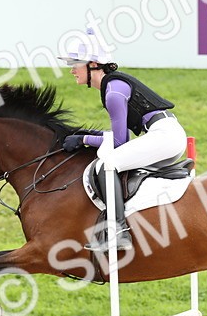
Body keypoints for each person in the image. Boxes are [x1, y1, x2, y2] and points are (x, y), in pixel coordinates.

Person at [60, 30, 187, 251]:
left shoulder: (113, 92)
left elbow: (119, 143)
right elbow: (120, 139)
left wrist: (84, 139)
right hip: (166, 135)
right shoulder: (113, 87)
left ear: (93, 64)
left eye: (75, 63)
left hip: (164, 136)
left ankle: (118, 232)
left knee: (107, 165)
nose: (72, 70)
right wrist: (86, 135)